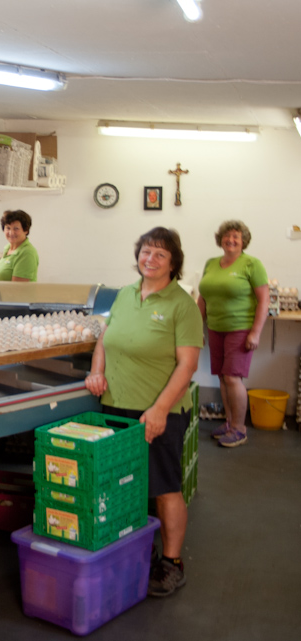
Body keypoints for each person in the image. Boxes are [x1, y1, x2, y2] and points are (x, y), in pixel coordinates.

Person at [85, 227, 202, 598]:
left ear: (173, 263)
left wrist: (159, 410)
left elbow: (187, 365)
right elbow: (105, 339)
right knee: (125, 483)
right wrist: (96, 371)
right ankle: (138, 549)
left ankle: (171, 562)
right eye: (146, 251)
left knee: (164, 486)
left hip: (158, 410)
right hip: (115, 405)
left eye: (160, 254)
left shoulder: (182, 305)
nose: (150, 259)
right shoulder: (125, 294)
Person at [196, 220, 269, 447]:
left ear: (243, 241)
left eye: (236, 236)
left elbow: (264, 300)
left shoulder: (252, 264)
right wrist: (197, 327)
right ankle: (229, 423)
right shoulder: (211, 264)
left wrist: (255, 332)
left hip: (240, 328)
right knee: (222, 376)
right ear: (220, 239)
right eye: (227, 236)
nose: (231, 240)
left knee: (232, 377)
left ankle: (239, 429)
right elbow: (203, 298)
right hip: (215, 327)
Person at [0, 209, 39, 282]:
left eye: (16, 228)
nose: (11, 233)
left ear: (26, 230)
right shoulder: (8, 248)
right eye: (8, 228)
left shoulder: (27, 253)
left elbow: (16, 287)